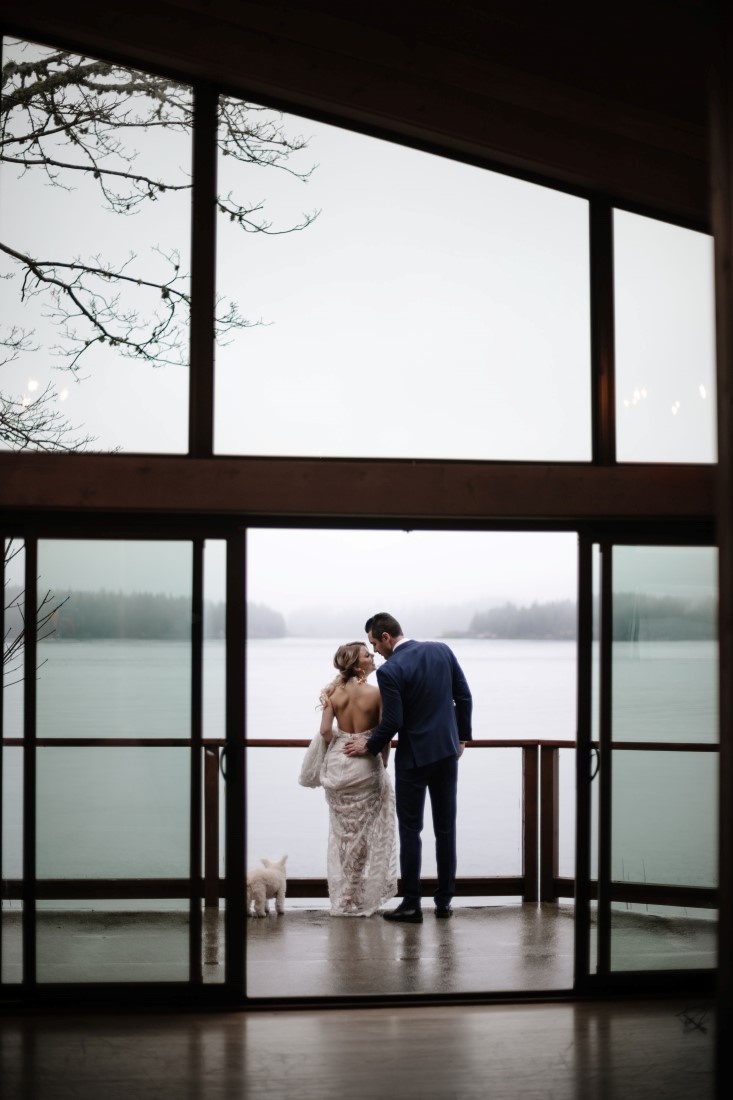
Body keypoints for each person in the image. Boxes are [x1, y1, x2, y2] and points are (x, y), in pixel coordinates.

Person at [343, 612, 472, 923]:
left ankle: (412, 903)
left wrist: (368, 746)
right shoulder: (442, 650)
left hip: (414, 760)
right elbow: (463, 696)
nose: (375, 651)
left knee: (411, 831)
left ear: (386, 637)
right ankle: (444, 903)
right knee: (446, 830)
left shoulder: (391, 670)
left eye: (374, 643)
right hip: (446, 754)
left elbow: (393, 722)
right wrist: (462, 737)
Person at [303, 641, 397, 917]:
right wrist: (383, 764)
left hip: (337, 768)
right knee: (363, 837)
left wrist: (339, 745)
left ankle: (347, 895)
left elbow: (324, 732)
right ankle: (354, 896)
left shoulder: (332, 693)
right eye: (368, 655)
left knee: (343, 835)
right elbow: (385, 736)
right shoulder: (377, 694)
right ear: (358, 665)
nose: (372, 658)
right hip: (364, 768)